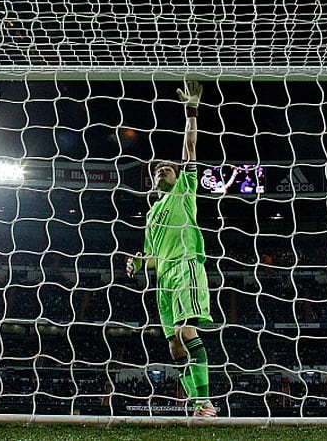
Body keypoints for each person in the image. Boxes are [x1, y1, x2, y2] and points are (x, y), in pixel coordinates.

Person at [125, 80, 216, 418]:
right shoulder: (151, 214)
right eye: (155, 169)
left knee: (185, 331)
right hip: (163, 279)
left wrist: (191, 112)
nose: (160, 169)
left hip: (186, 267)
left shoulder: (185, 191)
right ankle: (197, 404)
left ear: (179, 176)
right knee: (173, 343)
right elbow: (153, 256)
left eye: (166, 167)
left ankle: (205, 402)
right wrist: (139, 263)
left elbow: (190, 148)